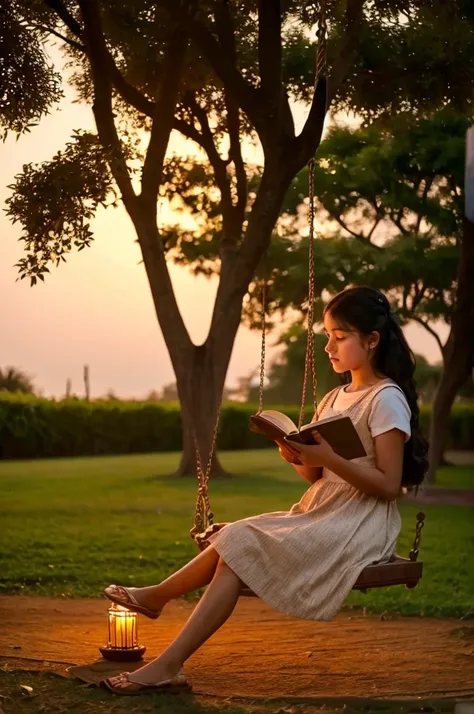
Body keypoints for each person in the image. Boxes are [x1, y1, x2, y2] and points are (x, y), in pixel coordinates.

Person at [101, 285, 428, 695]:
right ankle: (165, 649)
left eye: (340, 337)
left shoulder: (386, 399)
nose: (329, 346)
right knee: (234, 540)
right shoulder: (333, 398)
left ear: (372, 340)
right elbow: (319, 479)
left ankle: (161, 622)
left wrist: (327, 459)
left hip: (362, 523)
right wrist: (294, 455)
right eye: (327, 335)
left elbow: (388, 486)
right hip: (322, 510)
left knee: (237, 542)